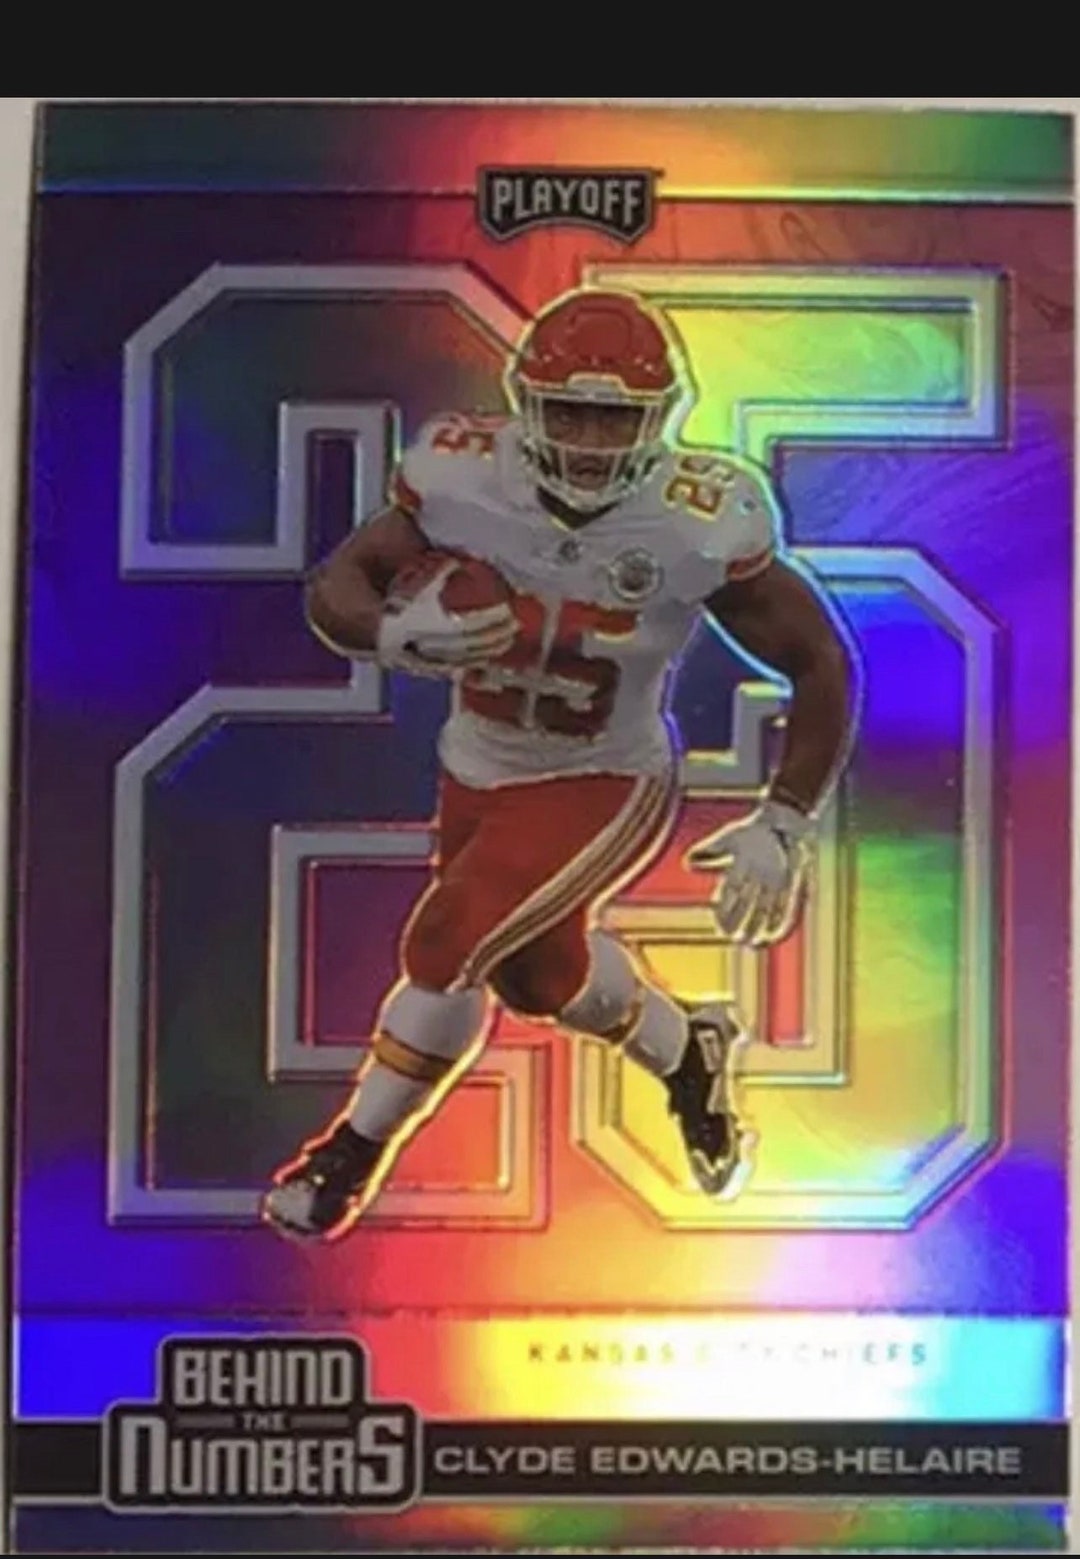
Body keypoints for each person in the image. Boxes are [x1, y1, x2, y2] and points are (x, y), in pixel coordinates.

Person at [262, 287, 857, 1242]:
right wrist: (387, 633)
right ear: (524, 403)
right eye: (568, 411)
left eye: (614, 418)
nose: (587, 440)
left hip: (605, 774)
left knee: (446, 942)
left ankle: (348, 1155)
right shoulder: (460, 476)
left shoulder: (695, 519)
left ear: (659, 420)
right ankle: (689, 1048)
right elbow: (342, 580)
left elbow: (818, 658)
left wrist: (785, 817)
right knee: (537, 978)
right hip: (476, 764)